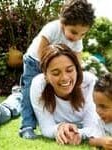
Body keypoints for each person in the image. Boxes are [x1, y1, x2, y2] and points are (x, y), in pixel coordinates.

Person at [19, 0, 95, 139]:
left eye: (82, 34)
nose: (77, 37)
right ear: (63, 22)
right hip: (35, 61)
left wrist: (76, 76)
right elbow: (41, 50)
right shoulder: (52, 28)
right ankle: (27, 126)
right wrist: (47, 75)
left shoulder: (77, 39)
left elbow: (77, 61)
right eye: (74, 32)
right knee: (28, 91)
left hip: (56, 66)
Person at [30, 44, 101, 145]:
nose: (64, 78)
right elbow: (46, 127)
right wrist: (59, 128)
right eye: (56, 73)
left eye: (69, 70)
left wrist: (77, 133)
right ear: (45, 75)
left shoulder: (90, 82)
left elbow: (93, 127)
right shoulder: (39, 84)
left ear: (77, 69)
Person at [89, 73, 112, 149]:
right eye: (96, 105)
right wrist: (102, 141)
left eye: (103, 106)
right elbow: (91, 140)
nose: (98, 111)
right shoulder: (100, 121)